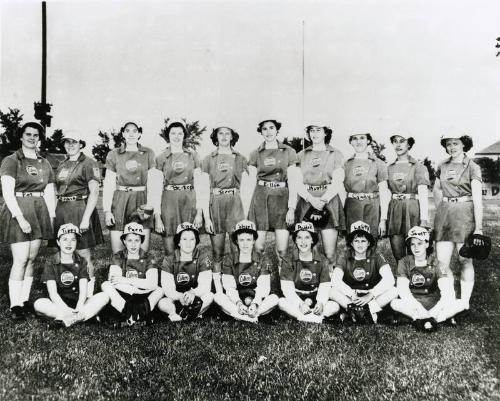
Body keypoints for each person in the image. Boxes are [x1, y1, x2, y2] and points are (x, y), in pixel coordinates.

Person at [0, 122, 56, 320]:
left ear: (39, 138)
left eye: (36, 135)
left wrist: (51, 215)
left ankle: (24, 300)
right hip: (20, 210)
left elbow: (49, 191)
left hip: (39, 210)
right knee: (21, 259)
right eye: (28, 134)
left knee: (32, 259)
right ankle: (15, 306)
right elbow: (8, 192)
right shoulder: (11, 160)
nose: (32, 138)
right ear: (21, 137)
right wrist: (20, 217)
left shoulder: (44, 161)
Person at [433, 135, 484, 311]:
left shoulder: (473, 167)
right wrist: (441, 211)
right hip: (445, 215)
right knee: (442, 263)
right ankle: (449, 299)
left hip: (466, 216)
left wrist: (478, 228)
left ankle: (464, 302)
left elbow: (477, 199)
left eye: (456, 143)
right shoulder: (442, 165)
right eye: (448, 144)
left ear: (464, 144)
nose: (452, 147)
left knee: (465, 261)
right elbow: (437, 189)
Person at [53, 133, 103, 296]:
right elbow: (57, 190)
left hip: (79, 208)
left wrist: (86, 218)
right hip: (62, 208)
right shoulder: (62, 164)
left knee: (83, 253)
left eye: (74, 142)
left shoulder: (89, 163)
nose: (70, 145)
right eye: (67, 142)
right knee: (64, 251)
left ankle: (88, 294)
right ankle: (68, 290)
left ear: (81, 144)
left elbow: (94, 192)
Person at [201, 123, 248, 292]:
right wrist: (206, 216)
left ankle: (241, 284)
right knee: (217, 250)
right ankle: (218, 286)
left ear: (232, 136)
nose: (224, 136)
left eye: (228, 133)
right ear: (216, 137)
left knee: (239, 247)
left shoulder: (240, 158)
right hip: (216, 202)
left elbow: (248, 184)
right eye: (220, 133)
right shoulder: (208, 159)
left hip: (235, 201)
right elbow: (203, 189)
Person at [33, 224, 109, 327]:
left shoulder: (81, 261)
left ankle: (65, 321)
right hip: (59, 303)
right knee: (39, 304)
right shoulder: (51, 262)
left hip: (77, 302)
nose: (69, 243)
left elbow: (83, 292)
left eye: (73, 240)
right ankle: (81, 317)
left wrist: (78, 307)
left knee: (103, 296)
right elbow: (53, 294)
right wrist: (67, 310)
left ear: (77, 242)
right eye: (65, 239)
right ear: (58, 242)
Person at [390, 226, 464, 331]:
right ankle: (430, 319)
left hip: (434, 302)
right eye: (412, 244)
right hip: (413, 303)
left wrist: (433, 312)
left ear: (427, 244)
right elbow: (403, 291)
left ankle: (423, 319)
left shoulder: (437, 263)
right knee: (394, 303)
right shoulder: (404, 262)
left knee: (461, 303)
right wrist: (419, 308)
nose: (416, 248)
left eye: (419, 243)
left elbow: (447, 292)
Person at [294, 123, 345, 266]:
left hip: (328, 201)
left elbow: (338, 180)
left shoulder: (335, 153)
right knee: (309, 249)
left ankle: (332, 282)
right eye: (311, 130)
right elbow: (297, 181)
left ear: (326, 133)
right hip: (307, 202)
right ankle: (309, 283)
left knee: (330, 253)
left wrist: (323, 200)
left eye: (318, 130)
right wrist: (310, 199)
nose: (314, 133)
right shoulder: (301, 155)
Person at [246, 119, 297, 261]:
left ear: (277, 130)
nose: (268, 132)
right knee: (258, 247)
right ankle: (258, 279)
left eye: (271, 128)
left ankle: (283, 279)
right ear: (261, 132)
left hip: (282, 198)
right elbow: (250, 183)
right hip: (261, 198)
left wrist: (291, 208)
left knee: (282, 249)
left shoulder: (289, 151)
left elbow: (293, 181)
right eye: (264, 129)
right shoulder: (255, 153)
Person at [103, 122, 156, 253]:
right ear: (123, 134)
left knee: (142, 248)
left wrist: (151, 204)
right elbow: (109, 184)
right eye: (127, 131)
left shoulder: (148, 153)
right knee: (118, 249)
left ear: (139, 134)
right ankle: (118, 271)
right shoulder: (114, 154)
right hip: (120, 199)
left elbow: (153, 183)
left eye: (134, 131)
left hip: (141, 199)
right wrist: (107, 211)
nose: (131, 134)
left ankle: (141, 271)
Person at [330, 221, 397, 323]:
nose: (360, 244)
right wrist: (351, 294)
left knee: (394, 291)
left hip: (371, 297)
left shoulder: (377, 256)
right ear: (351, 243)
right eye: (356, 241)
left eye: (363, 241)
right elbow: (335, 280)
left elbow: (390, 279)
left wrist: (371, 294)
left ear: (369, 242)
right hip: (352, 297)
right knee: (331, 290)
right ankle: (364, 313)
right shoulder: (344, 256)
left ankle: (359, 312)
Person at [154, 121, 204, 256]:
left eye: (180, 133)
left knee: (189, 238)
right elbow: (156, 188)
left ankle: (188, 273)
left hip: (189, 199)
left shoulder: (193, 155)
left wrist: (199, 212)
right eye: (173, 133)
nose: (176, 136)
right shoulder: (161, 157)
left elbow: (200, 185)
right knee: (169, 242)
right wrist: (157, 216)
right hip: (169, 199)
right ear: (168, 136)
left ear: (184, 136)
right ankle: (170, 272)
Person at [214, 220, 279, 322]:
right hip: (236, 301)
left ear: (254, 241)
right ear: (236, 241)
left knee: (274, 298)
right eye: (241, 240)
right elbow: (229, 288)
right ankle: (250, 317)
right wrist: (238, 303)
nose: (245, 244)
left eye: (249, 239)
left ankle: (244, 315)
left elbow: (263, 287)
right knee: (218, 297)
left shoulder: (263, 259)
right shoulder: (229, 259)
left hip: (255, 300)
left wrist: (255, 304)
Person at [101, 222, 164, 326]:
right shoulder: (118, 256)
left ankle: (129, 317)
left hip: (143, 294)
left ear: (141, 241)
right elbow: (114, 281)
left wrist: (127, 281)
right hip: (125, 294)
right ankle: (137, 316)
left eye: (137, 240)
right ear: (124, 241)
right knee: (106, 285)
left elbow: (152, 284)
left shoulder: (149, 257)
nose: (133, 245)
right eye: (130, 240)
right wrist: (135, 289)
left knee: (160, 290)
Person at [278, 222, 340, 323]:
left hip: (314, 296)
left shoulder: (322, 259)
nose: (303, 242)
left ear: (312, 240)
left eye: (307, 237)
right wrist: (300, 304)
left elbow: (325, 285)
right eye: (299, 237)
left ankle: (306, 317)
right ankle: (314, 318)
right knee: (281, 303)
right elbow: (287, 288)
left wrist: (320, 303)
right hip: (297, 297)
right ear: (295, 240)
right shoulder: (288, 260)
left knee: (335, 306)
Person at [158, 222, 214, 321]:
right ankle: (184, 314)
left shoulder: (203, 257)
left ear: (196, 241)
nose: (188, 243)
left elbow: (205, 286)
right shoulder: (169, 259)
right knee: (162, 303)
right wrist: (179, 296)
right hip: (176, 297)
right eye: (184, 239)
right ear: (178, 242)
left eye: (192, 239)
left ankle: (183, 315)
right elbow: (168, 288)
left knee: (209, 296)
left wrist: (193, 292)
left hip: (195, 297)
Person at [387, 135, 430, 261]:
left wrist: (424, 219)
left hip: (412, 209)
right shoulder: (389, 168)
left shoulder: (418, 167)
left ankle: (416, 278)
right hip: (395, 209)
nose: (398, 145)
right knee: (397, 252)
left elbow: (423, 194)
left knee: (416, 250)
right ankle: (402, 278)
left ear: (409, 144)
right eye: (395, 142)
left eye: (402, 141)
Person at [343, 133, 389, 241]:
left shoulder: (379, 163)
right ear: (351, 142)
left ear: (368, 141)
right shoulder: (345, 164)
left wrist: (383, 220)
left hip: (371, 207)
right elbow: (341, 190)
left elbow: (383, 191)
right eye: (355, 138)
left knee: (371, 242)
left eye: (362, 138)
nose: (358, 141)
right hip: (352, 207)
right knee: (353, 243)